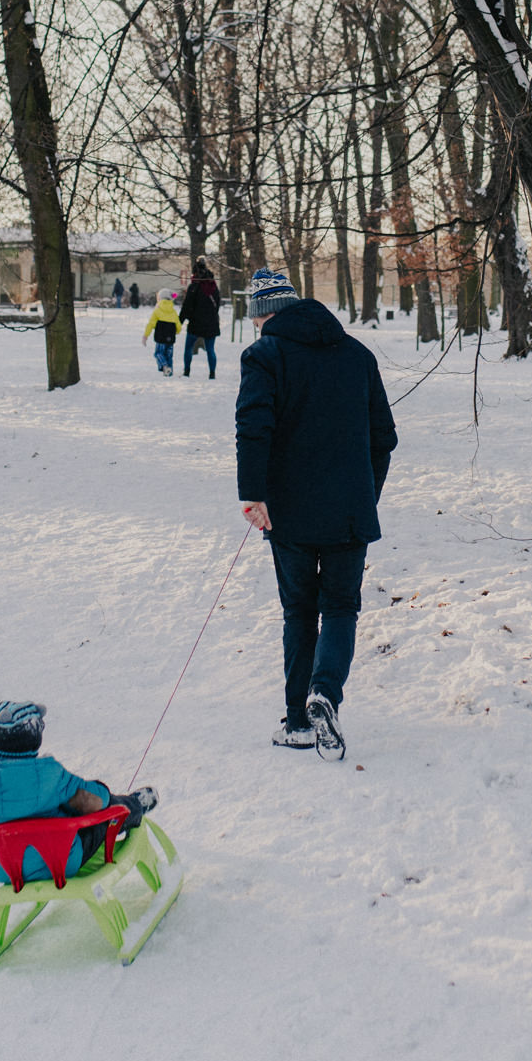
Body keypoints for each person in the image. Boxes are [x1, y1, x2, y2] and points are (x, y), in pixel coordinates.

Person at [235, 269, 396, 761]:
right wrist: (365, 491)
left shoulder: (264, 354)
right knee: (342, 607)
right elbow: (384, 438)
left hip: (290, 512)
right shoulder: (358, 354)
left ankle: (298, 721)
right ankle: (325, 692)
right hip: (350, 508)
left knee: (300, 612)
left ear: (262, 316)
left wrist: (254, 494)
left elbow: (253, 427)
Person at [0, 702, 158, 885]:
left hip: (5, 869)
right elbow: (94, 802)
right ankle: (135, 805)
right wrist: (102, 790)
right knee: (110, 808)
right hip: (62, 861)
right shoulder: (50, 776)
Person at [177, 260, 222, 378]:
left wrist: (179, 322)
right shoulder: (213, 285)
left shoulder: (194, 286)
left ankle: (187, 371)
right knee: (210, 350)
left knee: (188, 348)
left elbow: (186, 306)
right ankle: (212, 373)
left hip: (196, 324)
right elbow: (217, 303)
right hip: (211, 323)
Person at [143, 290, 182, 374]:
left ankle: (164, 366)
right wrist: (177, 331)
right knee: (169, 355)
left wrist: (145, 336)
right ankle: (169, 371)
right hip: (170, 338)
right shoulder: (173, 312)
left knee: (159, 353)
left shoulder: (157, 311)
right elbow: (178, 325)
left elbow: (151, 324)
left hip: (160, 337)